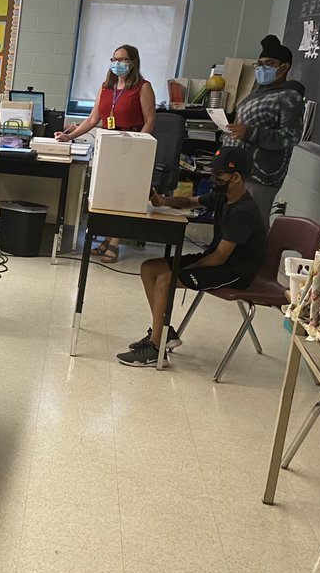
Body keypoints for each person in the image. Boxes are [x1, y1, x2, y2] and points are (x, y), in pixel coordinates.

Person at [118, 147, 267, 368]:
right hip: (215, 258)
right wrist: (162, 200)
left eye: (219, 174)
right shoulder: (222, 197)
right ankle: (164, 332)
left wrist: (182, 270)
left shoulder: (244, 212)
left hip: (235, 270)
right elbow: (189, 202)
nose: (213, 178)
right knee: (149, 268)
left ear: (236, 177)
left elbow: (220, 258)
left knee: (165, 279)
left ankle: (156, 349)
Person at [56, 44, 157, 264]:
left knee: (122, 196)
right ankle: (105, 239)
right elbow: (93, 119)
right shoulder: (105, 87)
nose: (117, 64)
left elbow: (150, 119)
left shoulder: (143, 87)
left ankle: (114, 242)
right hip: (108, 144)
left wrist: (140, 145)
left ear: (133, 62)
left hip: (131, 145)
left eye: (122, 59)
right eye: (114, 59)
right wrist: (69, 136)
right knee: (107, 194)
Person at [221, 34, 304, 223]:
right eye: (259, 64)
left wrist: (249, 132)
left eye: (269, 64)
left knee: (251, 223)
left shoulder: (290, 97)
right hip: (239, 170)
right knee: (232, 222)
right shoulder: (258, 93)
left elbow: (290, 137)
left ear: (284, 67)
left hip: (260, 175)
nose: (262, 68)